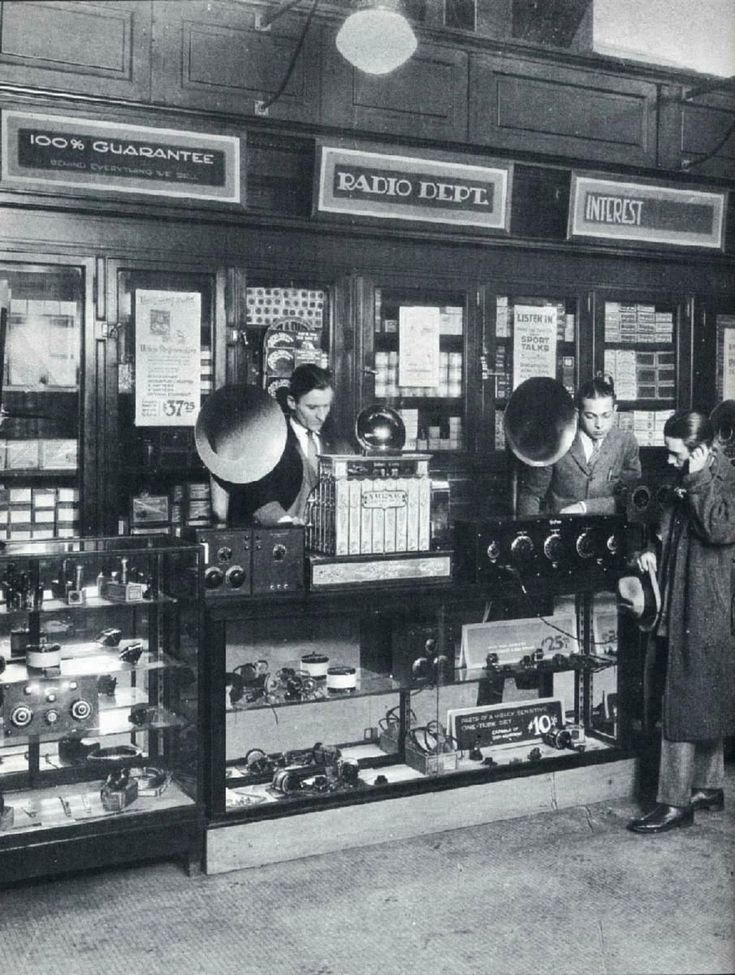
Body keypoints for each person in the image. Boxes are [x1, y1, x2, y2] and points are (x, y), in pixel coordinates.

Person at [627, 410, 735, 834]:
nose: (670, 462)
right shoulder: (686, 474)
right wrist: (650, 548)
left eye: (677, 455)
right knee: (698, 693)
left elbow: (717, 528)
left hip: (707, 604)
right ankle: (708, 788)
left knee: (682, 698)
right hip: (679, 598)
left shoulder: (720, 479)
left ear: (702, 451)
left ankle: (673, 802)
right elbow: (665, 524)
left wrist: (697, 478)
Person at [211, 364, 339, 526]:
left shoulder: (338, 442)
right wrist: (285, 522)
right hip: (283, 537)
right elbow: (257, 493)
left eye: (326, 406)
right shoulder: (267, 440)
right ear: (292, 402)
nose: (321, 417)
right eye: (312, 408)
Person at [517, 377, 641, 516]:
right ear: (577, 413)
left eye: (606, 415)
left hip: (607, 528)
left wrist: (585, 507)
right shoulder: (556, 440)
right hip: (561, 529)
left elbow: (632, 498)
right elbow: (532, 495)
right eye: (590, 416)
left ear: (615, 409)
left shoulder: (626, 442)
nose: (599, 424)